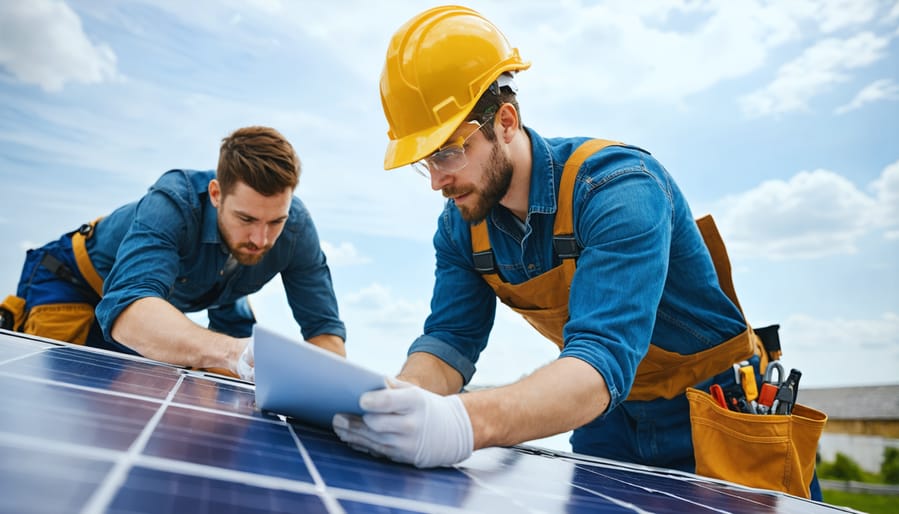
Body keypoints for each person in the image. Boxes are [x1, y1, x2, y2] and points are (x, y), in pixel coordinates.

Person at [332, 5, 818, 497]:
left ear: (505, 121)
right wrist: (389, 405)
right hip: (608, 415)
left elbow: (601, 356)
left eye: (447, 152)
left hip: (716, 411)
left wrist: (462, 423)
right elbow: (449, 342)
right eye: (425, 162)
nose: (437, 180)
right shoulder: (462, 226)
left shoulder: (619, 189)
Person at [0, 126, 346, 380]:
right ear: (215, 194)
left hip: (144, 312)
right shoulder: (172, 202)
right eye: (246, 218)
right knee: (52, 394)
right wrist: (233, 352)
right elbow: (128, 306)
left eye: (276, 221)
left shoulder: (297, 229)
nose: (261, 238)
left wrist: (331, 394)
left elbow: (323, 331)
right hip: (73, 281)